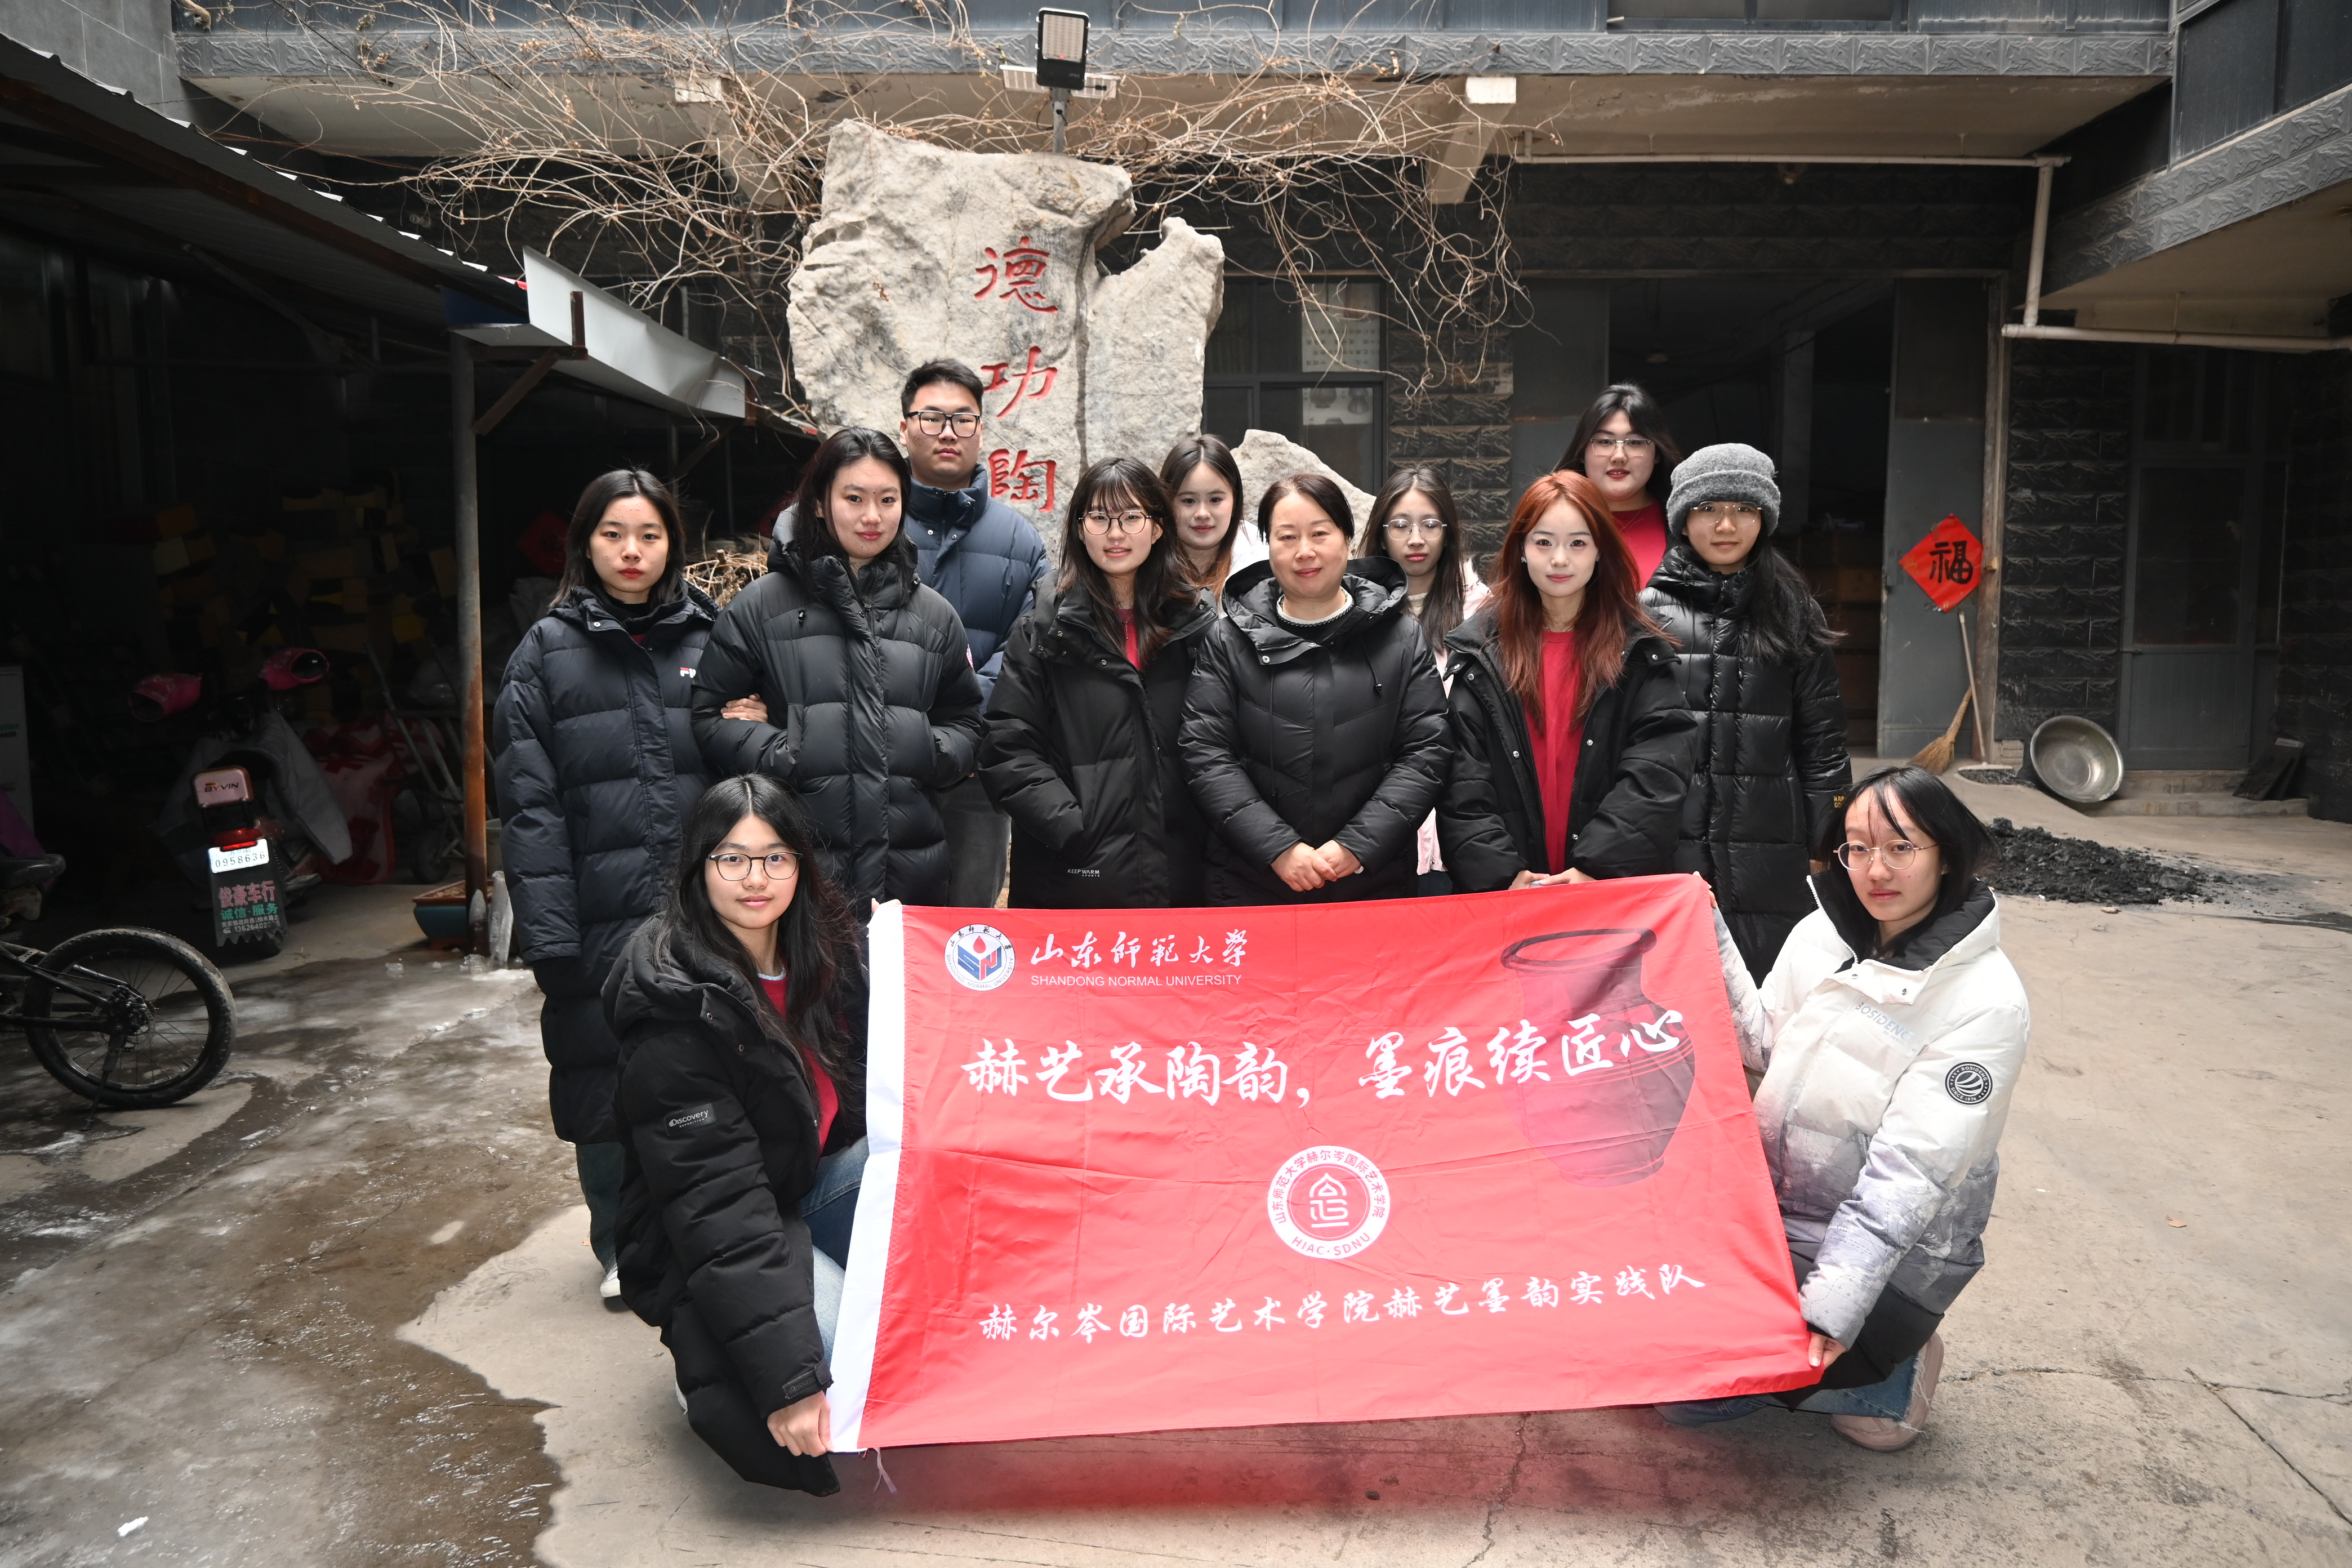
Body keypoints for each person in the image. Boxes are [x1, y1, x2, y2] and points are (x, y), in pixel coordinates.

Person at [1661, 765, 2028, 1452]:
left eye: (1901, 847)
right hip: (1778, 1214)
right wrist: (1700, 924)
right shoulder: (1823, 934)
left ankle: (1893, 1372)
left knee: (1745, 1398)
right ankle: (1787, 1354)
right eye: (1857, 848)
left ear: (1947, 853)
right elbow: (1761, 1040)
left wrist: (1831, 1310)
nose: (1875, 870)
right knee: (1669, 1378)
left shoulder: (1987, 1003)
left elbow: (1908, 1177)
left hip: (1897, 1255)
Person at [605, 775, 870, 1495]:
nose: (756, 878)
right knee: (835, 1365)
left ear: (801, 867)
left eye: (776, 857)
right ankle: (712, 1363)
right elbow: (719, 1206)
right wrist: (788, 1379)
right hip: (704, 1232)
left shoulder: (827, 959)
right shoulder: (674, 1012)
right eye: (733, 858)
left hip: (798, 1190)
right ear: (699, 867)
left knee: (901, 1162)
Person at [493, 469, 716, 1309]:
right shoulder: (544, 654)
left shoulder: (712, 638)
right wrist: (550, 935)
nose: (632, 552)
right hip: (597, 907)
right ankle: (622, 1241)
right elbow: (530, 806)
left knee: (707, 1073)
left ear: (672, 546)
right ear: (585, 545)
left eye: (650, 535)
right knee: (605, 1079)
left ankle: (707, 1228)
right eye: (614, 534)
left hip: (704, 908)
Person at [772, 362, 1049, 907]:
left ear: (982, 431)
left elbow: (1025, 650)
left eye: (963, 420)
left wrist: (944, 729)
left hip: (970, 770)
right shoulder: (852, 524)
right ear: (904, 427)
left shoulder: (1019, 541)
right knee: (851, 926)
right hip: (852, 768)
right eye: (931, 418)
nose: (948, 433)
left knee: (964, 931)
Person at [696, 427, 988, 908]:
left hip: (909, 874)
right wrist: (785, 752)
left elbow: (968, 722)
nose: (872, 516)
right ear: (818, 503)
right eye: (854, 498)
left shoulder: (934, 616)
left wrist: (926, 750)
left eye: (888, 499)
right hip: (795, 875)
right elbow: (709, 717)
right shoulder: (761, 607)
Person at [1179, 472, 1450, 905]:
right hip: (1251, 882)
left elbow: (1426, 752)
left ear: (1347, 538)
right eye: (1287, 537)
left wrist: (1357, 846)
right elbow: (1206, 754)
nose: (1304, 551)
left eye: (1320, 533)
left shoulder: (1401, 638)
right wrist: (1278, 849)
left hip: (1371, 884)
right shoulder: (1228, 641)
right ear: (1269, 547)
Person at [1643, 443, 1852, 980]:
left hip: (1772, 844)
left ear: (1765, 518)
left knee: (1770, 989)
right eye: (1709, 508)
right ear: (1682, 519)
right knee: (1675, 990)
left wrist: (1826, 840)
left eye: (1744, 509)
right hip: (1670, 839)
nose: (1726, 525)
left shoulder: (1794, 611)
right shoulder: (1645, 615)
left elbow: (1823, 743)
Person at [1437, 471, 1696, 890]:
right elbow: (1462, 781)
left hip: (1607, 889)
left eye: (1578, 543)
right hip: (1511, 892)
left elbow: (1658, 772)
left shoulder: (1641, 649)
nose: (1560, 559)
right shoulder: (1479, 651)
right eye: (1544, 542)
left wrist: (1597, 867)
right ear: (1521, 550)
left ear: (1600, 550)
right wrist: (1505, 876)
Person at [982, 458, 1217, 907]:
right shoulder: (1043, 629)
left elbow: (1221, 743)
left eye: (1131, 517)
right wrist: (1074, 828)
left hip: (1181, 870)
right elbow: (1007, 747)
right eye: (1099, 518)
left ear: (1158, 528)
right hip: (1071, 875)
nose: (1115, 534)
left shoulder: (1196, 625)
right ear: (1079, 528)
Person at [1360, 466, 1490, 895]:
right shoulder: (1354, 614)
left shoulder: (1483, 614)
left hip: (1462, 828)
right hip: (1374, 833)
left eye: (1430, 525)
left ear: (1448, 533)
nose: (1416, 539)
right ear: (1381, 535)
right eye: (1400, 525)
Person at [1556, 382, 1685, 585]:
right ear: (1582, 452)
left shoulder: (1687, 526)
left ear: (1657, 454)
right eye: (1605, 442)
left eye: (1635, 442)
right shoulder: (1547, 520)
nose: (1619, 456)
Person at [1160, 433, 1265, 602]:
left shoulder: (1264, 565)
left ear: (1235, 501)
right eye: (1189, 501)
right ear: (1167, 503)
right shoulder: (1146, 570)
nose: (1203, 514)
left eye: (1215, 500)